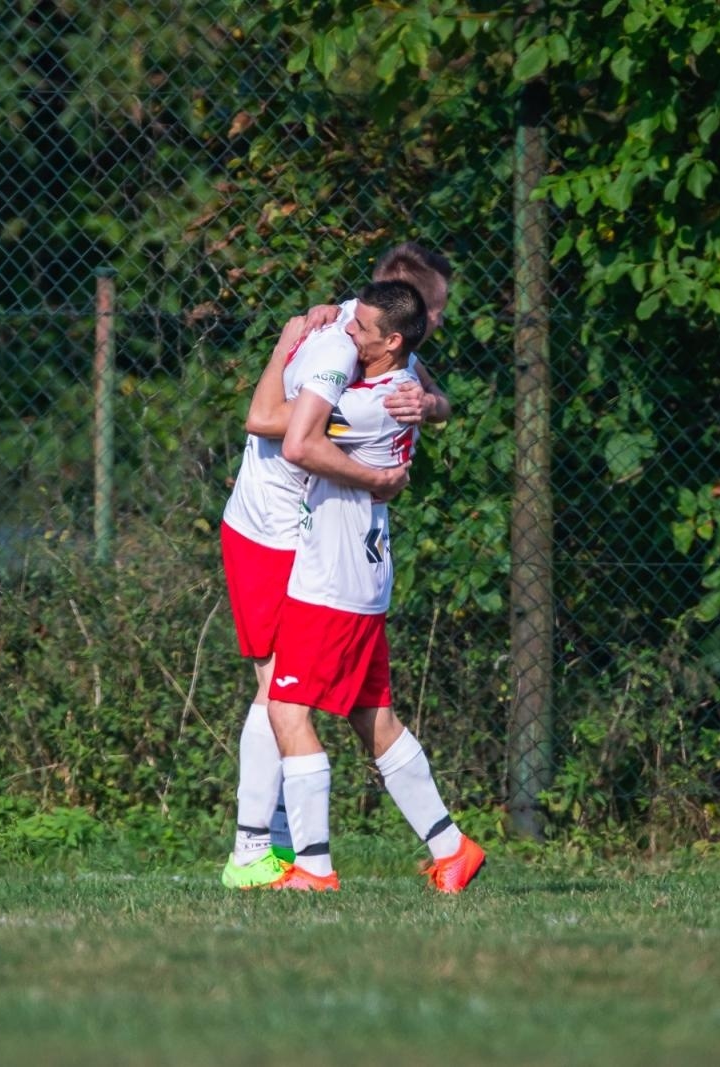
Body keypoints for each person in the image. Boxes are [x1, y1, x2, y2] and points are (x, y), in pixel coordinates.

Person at [219, 243, 453, 889]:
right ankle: (261, 849)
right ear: (400, 302)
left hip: (319, 538)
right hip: (276, 529)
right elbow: (271, 424)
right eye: (436, 312)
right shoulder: (338, 344)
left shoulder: (382, 342)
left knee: (329, 701)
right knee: (281, 693)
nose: (439, 324)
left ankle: (280, 852)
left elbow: (435, 396)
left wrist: (428, 406)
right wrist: (381, 474)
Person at [267, 279, 485, 893]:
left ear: (391, 341)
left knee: (287, 708)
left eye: (360, 329)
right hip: (365, 571)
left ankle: (313, 868)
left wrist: (292, 341)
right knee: (373, 716)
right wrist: (436, 406)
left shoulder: (367, 405)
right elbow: (429, 395)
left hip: (333, 577)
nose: (349, 334)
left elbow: (292, 438)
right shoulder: (404, 374)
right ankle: (454, 848)